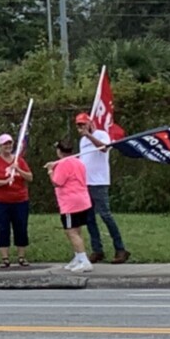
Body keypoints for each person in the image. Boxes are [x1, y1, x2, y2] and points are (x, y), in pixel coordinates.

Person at [76, 113, 130, 264]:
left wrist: (89, 135)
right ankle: (97, 250)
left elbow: (104, 148)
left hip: (99, 182)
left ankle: (120, 248)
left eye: (83, 124)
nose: (81, 127)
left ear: (90, 123)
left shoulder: (101, 134)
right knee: (89, 218)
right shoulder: (82, 141)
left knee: (105, 215)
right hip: (85, 183)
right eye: (79, 125)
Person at [46, 139, 94, 273]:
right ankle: (78, 257)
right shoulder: (79, 162)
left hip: (70, 203)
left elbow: (57, 182)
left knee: (71, 232)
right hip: (82, 200)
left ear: (59, 151)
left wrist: (50, 170)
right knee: (77, 230)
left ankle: (84, 260)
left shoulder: (62, 164)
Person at [0, 134, 33, 269]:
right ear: (0, 146)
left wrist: (18, 169)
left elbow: (30, 177)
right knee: (2, 228)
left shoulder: (20, 161)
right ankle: (5, 258)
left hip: (20, 200)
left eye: (9, 143)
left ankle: (21, 256)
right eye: (5, 144)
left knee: (21, 227)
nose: (8, 146)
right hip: (0, 201)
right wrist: (5, 181)